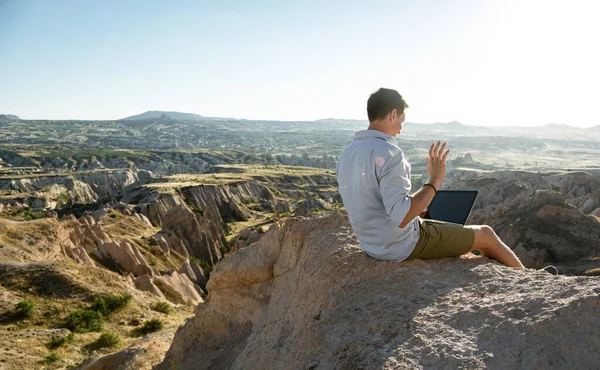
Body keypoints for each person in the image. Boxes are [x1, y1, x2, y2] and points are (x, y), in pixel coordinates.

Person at [335, 87, 525, 268]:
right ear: (393, 114)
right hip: (400, 246)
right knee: (486, 235)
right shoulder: (390, 154)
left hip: (371, 245)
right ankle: (527, 280)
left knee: (433, 221)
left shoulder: (347, 153)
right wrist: (435, 180)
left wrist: (415, 209)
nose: (401, 128)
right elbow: (401, 218)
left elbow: (373, 202)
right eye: (402, 120)